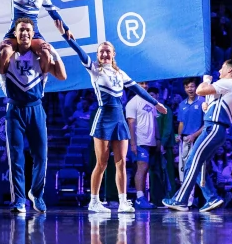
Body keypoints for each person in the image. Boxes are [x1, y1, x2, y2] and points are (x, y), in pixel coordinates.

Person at [60, 31, 166, 213]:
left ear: (113, 54)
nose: (105, 54)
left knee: (121, 163)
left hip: (119, 121)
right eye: (101, 51)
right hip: (103, 120)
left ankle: (123, 201)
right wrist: (69, 37)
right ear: (98, 55)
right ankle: (94, 201)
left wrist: (156, 103)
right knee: (101, 163)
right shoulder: (94, 69)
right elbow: (79, 52)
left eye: (108, 51)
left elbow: (138, 91)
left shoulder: (120, 73)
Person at [0, 18, 65, 213]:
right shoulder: (7, 56)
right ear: (16, 34)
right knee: (16, 157)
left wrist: (53, 51)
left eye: (28, 30)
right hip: (14, 109)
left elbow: (62, 76)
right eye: (21, 30)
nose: (25, 33)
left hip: (36, 108)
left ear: (33, 33)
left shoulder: (41, 57)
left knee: (40, 156)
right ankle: (19, 199)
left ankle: (36, 194)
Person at [164, 59, 232, 213]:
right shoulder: (227, 87)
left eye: (222, 67)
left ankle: (181, 200)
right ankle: (212, 198)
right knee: (198, 166)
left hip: (213, 128)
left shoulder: (228, 82)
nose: (219, 70)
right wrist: (208, 106)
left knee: (191, 162)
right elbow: (210, 104)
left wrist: (205, 80)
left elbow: (200, 91)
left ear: (230, 70)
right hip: (215, 129)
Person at [126, 83, 163, 210]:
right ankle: (140, 198)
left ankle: (143, 198)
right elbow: (131, 124)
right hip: (140, 141)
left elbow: (155, 122)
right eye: (142, 83)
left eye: (146, 83)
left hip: (151, 142)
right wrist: (133, 143)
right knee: (142, 168)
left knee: (146, 169)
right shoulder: (132, 103)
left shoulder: (151, 101)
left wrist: (158, 139)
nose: (145, 86)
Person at [176, 78, 206, 204]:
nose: (190, 89)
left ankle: (201, 199)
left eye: (192, 86)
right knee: (184, 170)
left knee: (197, 170)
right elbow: (181, 123)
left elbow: (206, 125)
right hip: (185, 140)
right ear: (184, 89)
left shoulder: (203, 102)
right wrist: (179, 135)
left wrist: (194, 135)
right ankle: (185, 199)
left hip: (198, 140)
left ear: (196, 87)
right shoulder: (182, 104)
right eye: (187, 87)